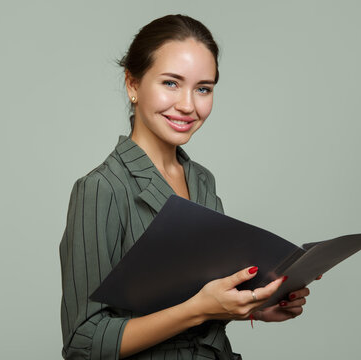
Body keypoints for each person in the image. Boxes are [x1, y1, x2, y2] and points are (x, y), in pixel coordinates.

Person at [59, 14, 314, 360]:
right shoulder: (101, 188)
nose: (188, 105)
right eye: (171, 83)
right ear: (132, 84)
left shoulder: (202, 181)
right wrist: (200, 309)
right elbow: (83, 343)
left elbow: (207, 296)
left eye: (203, 88)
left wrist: (255, 307)